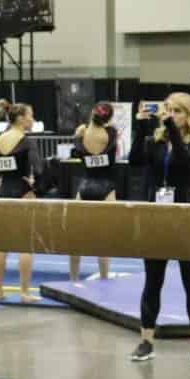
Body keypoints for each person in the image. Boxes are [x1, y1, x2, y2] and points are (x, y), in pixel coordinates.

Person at [128, 92, 190, 365]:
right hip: (157, 217)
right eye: (169, 110)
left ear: (189, 115)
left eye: (177, 111)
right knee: (152, 281)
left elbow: (187, 164)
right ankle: (146, 341)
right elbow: (135, 160)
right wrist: (141, 126)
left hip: (186, 218)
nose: (171, 115)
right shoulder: (157, 142)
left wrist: (171, 129)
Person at [0, 103, 41, 303]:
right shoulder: (27, 141)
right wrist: (36, 187)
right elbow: (39, 170)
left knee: (1, 244)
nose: (32, 119)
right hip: (23, 193)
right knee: (25, 245)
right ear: (20, 118)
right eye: (30, 115)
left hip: (4, 193)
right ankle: (24, 293)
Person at [68, 102, 116, 282]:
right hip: (106, 187)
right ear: (109, 117)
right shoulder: (110, 133)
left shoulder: (82, 133)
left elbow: (75, 153)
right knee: (103, 239)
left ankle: (73, 279)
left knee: (75, 239)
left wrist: (77, 137)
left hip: (85, 186)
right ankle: (104, 279)